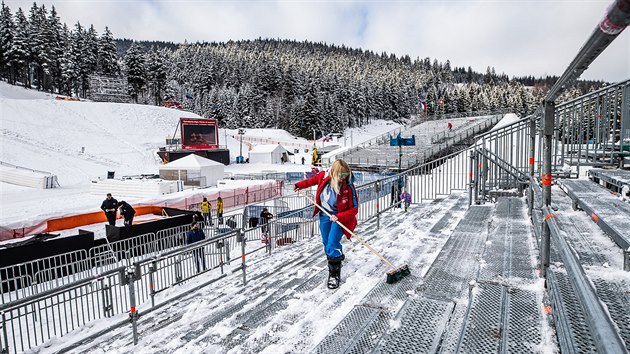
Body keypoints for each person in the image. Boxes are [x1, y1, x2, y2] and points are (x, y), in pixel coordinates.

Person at [294, 159, 358, 289]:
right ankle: (337, 258)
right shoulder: (323, 176)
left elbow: (354, 209)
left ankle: (334, 275)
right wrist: (299, 185)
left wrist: (339, 216)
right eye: (340, 176)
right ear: (333, 173)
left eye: (345, 176)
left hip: (339, 218)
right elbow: (310, 181)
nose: (343, 179)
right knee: (326, 243)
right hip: (324, 215)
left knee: (332, 243)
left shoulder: (349, 187)